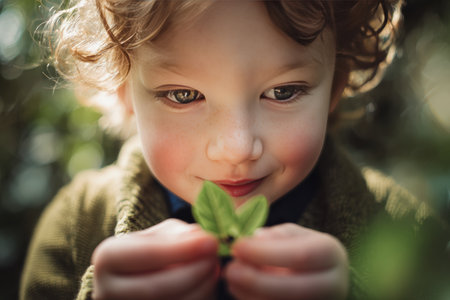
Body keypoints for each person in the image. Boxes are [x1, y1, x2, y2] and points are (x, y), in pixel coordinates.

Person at [20, 0, 438, 299]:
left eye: (282, 91)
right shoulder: (76, 226)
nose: (237, 148)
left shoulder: (405, 230)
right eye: (184, 95)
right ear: (124, 90)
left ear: (336, 83)